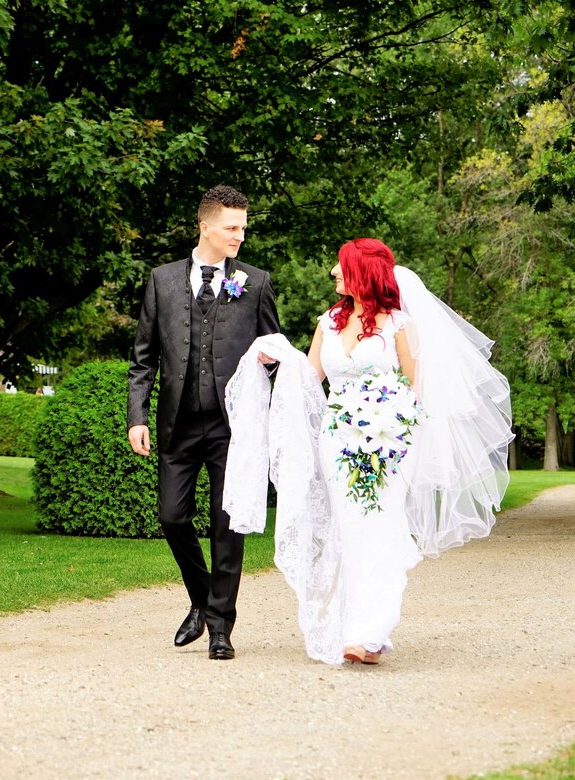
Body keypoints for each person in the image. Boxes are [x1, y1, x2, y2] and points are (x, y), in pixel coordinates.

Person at [223, 238, 512, 665]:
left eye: (341, 267)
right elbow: (311, 376)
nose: (334, 274)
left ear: (362, 273)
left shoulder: (399, 325)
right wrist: (276, 360)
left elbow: (417, 389)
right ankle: (350, 626)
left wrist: (397, 432)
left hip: (391, 443)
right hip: (337, 441)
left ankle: (370, 632)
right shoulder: (329, 322)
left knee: (378, 527)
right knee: (347, 527)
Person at [127, 185, 281, 660]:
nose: (240, 235)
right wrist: (138, 415)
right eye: (232, 227)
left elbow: (275, 353)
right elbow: (143, 356)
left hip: (232, 428)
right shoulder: (162, 280)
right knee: (172, 517)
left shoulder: (255, 282)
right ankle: (201, 599)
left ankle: (220, 627)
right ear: (206, 226)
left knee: (226, 525)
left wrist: (274, 370)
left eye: (243, 227)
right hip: (177, 423)